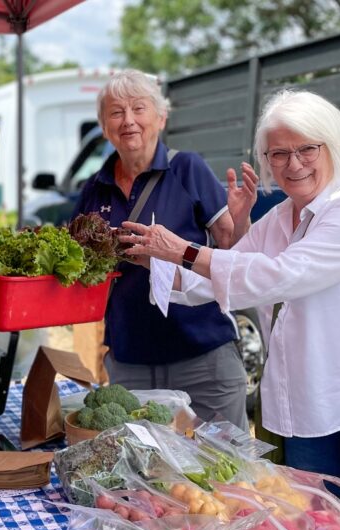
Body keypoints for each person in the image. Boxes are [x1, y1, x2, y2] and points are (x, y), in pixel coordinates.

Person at [124, 88, 340, 523]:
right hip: (308, 408)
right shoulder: (281, 218)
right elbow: (217, 276)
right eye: (278, 153)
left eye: (306, 149)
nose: (294, 163)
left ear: (333, 146)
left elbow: (277, 276)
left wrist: (183, 250)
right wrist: (149, 259)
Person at [71, 69, 258, 430]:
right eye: (115, 112)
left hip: (204, 354)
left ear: (160, 117)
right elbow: (78, 271)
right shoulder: (94, 189)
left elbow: (233, 250)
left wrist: (241, 218)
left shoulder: (186, 168)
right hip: (130, 361)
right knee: (145, 474)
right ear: (104, 125)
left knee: (229, 468)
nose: (128, 121)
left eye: (138, 109)